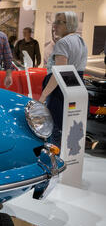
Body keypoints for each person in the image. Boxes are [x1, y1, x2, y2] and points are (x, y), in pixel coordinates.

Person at [39, 12, 88, 147]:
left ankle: (57, 161)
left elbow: (59, 73)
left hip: (59, 90)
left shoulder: (63, 42)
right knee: (71, 127)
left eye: (59, 22)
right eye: (55, 21)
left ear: (69, 24)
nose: (55, 25)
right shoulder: (81, 41)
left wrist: (43, 95)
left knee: (56, 128)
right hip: (76, 87)